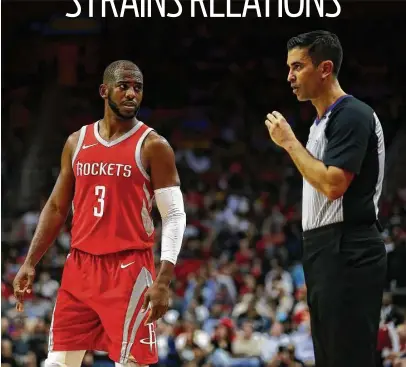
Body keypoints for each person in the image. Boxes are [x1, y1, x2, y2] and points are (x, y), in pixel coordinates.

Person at [12, 60, 187, 367]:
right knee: (56, 362)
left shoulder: (154, 145)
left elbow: (174, 215)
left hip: (129, 269)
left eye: (138, 88)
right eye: (124, 87)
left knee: (132, 363)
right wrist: (30, 261)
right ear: (104, 91)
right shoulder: (77, 142)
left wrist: (164, 279)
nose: (132, 94)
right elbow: (56, 207)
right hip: (80, 266)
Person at [265, 31, 386, 367]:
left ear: (325, 68)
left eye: (297, 66)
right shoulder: (322, 122)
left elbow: (333, 185)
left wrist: (289, 143)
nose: (289, 76)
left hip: (348, 246)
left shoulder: (351, 114)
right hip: (325, 247)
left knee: (348, 357)